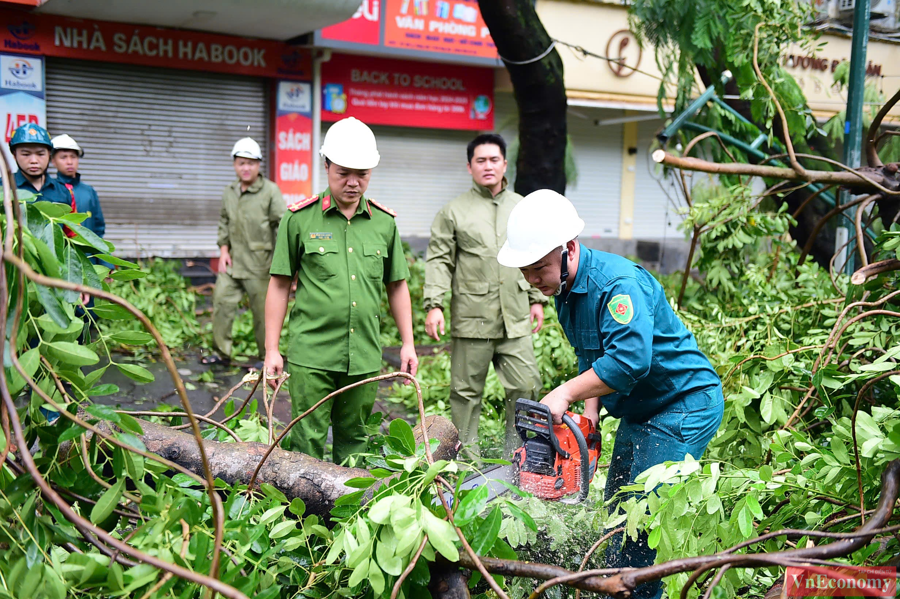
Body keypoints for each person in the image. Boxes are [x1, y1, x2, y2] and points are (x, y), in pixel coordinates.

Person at [498, 190, 724, 599]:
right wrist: (590, 423)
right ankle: (614, 588)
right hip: (642, 408)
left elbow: (629, 361)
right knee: (617, 506)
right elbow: (594, 359)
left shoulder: (618, 286)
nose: (532, 279)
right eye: (525, 271)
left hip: (683, 403)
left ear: (568, 249)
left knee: (642, 516)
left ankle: (638, 593)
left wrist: (564, 392)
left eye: (538, 268)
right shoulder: (565, 291)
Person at [264, 117, 418, 464]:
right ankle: (304, 516)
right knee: (306, 446)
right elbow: (278, 284)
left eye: (362, 174)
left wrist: (408, 343)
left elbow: (397, 285)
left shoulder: (383, 222)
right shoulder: (299, 219)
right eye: (343, 173)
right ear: (326, 165)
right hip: (311, 356)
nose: (353, 183)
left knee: (357, 447)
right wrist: (271, 350)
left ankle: (350, 516)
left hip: (363, 356)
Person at [423, 133, 546, 459]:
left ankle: (517, 457)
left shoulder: (521, 207)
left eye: (494, 159)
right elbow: (439, 260)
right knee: (465, 394)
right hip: (472, 316)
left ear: (505, 163)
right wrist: (434, 304)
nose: (488, 166)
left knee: (527, 386)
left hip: (515, 315)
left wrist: (537, 298)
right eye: (481, 160)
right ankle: (467, 467)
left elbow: (535, 254)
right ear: (470, 166)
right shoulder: (453, 212)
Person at [206, 137, 286, 366]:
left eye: (251, 163)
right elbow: (224, 221)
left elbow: (283, 224)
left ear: (258, 165)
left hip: (260, 265)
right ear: (234, 165)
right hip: (232, 263)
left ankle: (266, 356)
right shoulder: (229, 192)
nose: (246, 168)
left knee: (263, 314)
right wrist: (223, 250)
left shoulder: (270, 191)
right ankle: (221, 353)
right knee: (221, 303)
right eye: (241, 163)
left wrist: (281, 262)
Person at [51, 134, 106, 238]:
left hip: (87, 253)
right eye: (63, 157)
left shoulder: (89, 191)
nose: (69, 162)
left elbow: (99, 226)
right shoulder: (50, 190)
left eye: (73, 157)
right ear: (53, 161)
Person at [8, 123, 69, 204]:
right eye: (26, 154)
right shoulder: (4, 187)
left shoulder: (63, 191)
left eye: (40, 154)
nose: (34, 161)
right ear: (15, 155)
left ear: (49, 155)